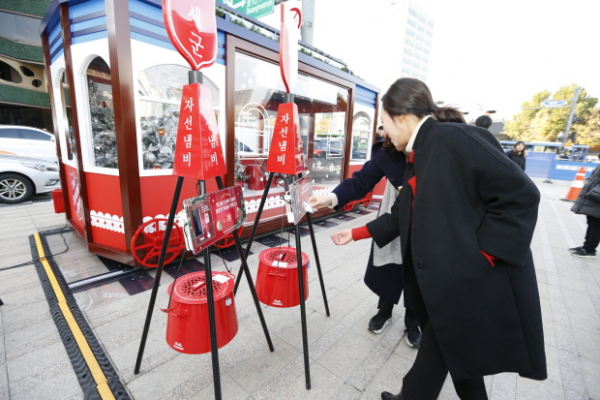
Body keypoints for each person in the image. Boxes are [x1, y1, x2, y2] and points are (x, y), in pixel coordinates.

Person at [331, 78, 547, 400]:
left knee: (435, 360)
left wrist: (485, 254)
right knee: (454, 354)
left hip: (467, 280)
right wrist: (357, 233)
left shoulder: (455, 139)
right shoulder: (419, 152)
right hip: (447, 282)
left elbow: (522, 195)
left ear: (401, 117)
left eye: (385, 124)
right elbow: (403, 211)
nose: (385, 133)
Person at [308, 133, 422, 346]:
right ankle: (385, 310)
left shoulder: (433, 150)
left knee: (418, 269)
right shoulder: (389, 151)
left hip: (423, 221)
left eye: (387, 122)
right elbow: (362, 180)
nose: (384, 130)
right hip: (392, 211)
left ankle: (413, 319)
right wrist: (330, 198)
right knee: (388, 261)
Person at [570, 157, 600, 258]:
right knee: (591, 223)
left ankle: (590, 250)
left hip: (597, 198)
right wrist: (588, 182)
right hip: (594, 197)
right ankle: (586, 246)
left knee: (596, 225)